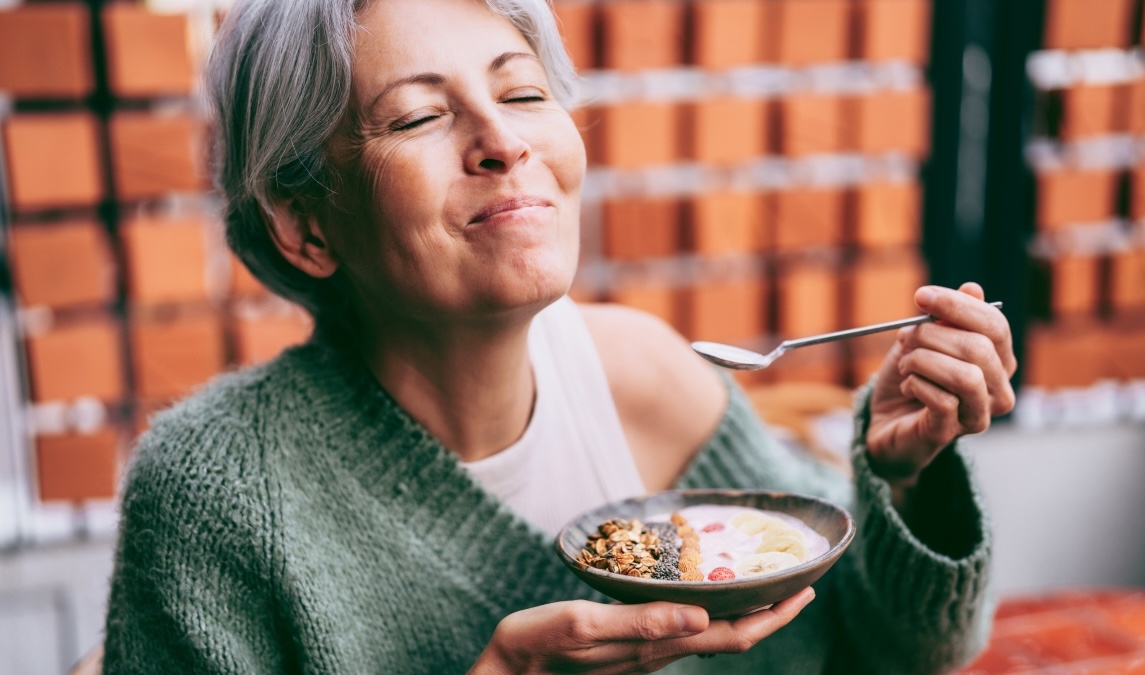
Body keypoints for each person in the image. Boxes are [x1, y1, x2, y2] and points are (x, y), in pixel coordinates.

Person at [101, 0, 1017, 672]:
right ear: (307, 225)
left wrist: (905, 479)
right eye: (419, 115)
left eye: (525, 92)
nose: (504, 140)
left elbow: (893, 644)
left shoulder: (646, 375)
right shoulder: (217, 491)